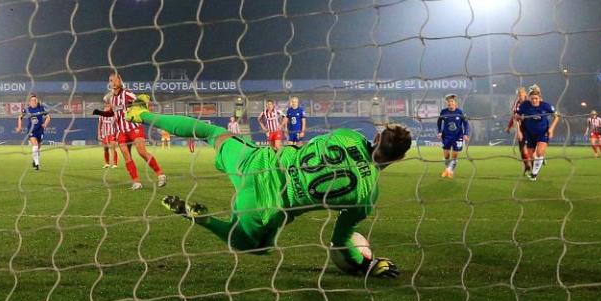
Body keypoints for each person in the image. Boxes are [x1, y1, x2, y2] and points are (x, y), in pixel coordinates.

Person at [124, 95, 409, 278]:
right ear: (399, 159)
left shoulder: (348, 135)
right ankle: (206, 220)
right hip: (266, 203)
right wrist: (365, 264)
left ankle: (141, 114)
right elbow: (339, 242)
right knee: (253, 247)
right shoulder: (366, 195)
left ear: (376, 135)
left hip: (259, 160)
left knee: (210, 132)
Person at [106, 72, 165, 190]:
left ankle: (160, 174)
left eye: (115, 80)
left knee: (142, 152)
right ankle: (136, 182)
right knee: (127, 156)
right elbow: (114, 116)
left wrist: (145, 113)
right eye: (111, 80)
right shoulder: (112, 99)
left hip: (134, 128)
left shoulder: (127, 93)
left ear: (120, 81)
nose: (113, 82)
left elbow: (143, 103)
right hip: (121, 131)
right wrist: (114, 132)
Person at [516, 87, 559, 181]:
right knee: (531, 156)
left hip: (543, 133)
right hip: (529, 134)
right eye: (532, 98)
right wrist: (519, 129)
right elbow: (516, 117)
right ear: (529, 98)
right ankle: (541, 159)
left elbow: (557, 116)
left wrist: (551, 129)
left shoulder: (546, 106)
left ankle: (534, 174)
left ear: (539, 98)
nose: (534, 100)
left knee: (539, 153)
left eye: (536, 98)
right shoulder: (524, 105)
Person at [436, 94, 469, 178]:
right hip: (446, 136)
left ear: (455, 103)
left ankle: (450, 170)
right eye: (448, 101)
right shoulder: (443, 112)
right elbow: (439, 122)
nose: (449, 103)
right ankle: (447, 169)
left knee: (454, 156)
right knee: (446, 156)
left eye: (451, 101)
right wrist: (439, 131)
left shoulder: (460, 112)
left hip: (458, 136)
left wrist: (466, 134)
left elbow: (466, 124)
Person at [16, 95, 50, 170]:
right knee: (35, 146)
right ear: (29, 102)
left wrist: (45, 124)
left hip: (40, 130)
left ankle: (34, 161)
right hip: (31, 131)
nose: (34, 101)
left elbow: (48, 117)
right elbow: (20, 117)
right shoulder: (27, 110)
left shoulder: (41, 108)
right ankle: (37, 164)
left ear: (37, 101)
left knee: (38, 149)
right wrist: (19, 127)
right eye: (32, 100)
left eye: (35, 100)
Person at [506, 86, 531, 174]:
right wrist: (509, 126)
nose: (519, 96)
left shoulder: (529, 102)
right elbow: (514, 116)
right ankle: (527, 166)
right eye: (518, 94)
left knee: (529, 148)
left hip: (530, 128)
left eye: (521, 94)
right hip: (521, 128)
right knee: (522, 150)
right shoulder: (517, 104)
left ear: (525, 94)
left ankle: (536, 161)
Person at [98, 102, 118, 168]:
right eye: (106, 106)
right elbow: (100, 125)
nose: (106, 107)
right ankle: (107, 163)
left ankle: (115, 164)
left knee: (112, 148)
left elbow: (117, 124)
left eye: (108, 106)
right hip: (104, 134)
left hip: (112, 133)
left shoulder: (114, 114)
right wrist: (99, 134)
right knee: (105, 149)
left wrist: (117, 133)